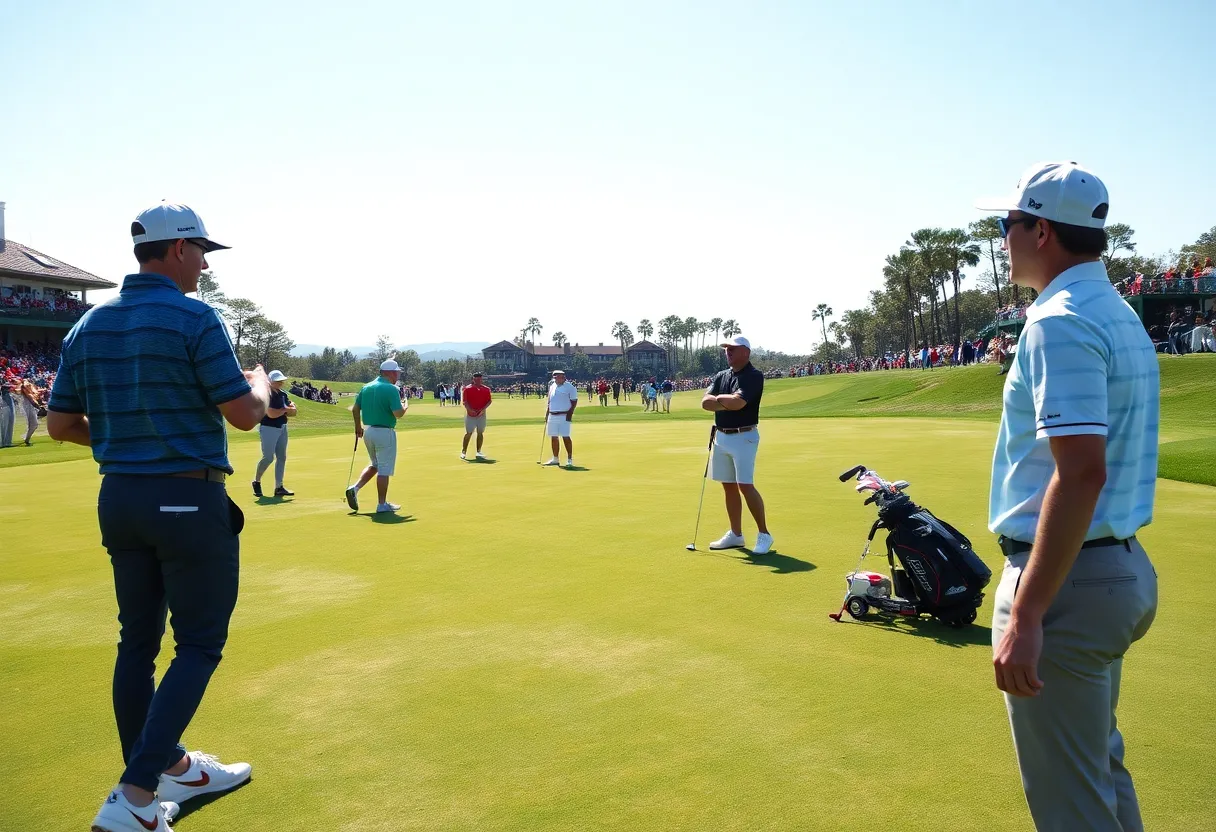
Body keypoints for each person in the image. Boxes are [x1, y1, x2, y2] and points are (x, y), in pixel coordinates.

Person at [47, 202, 268, 832]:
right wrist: (261, 382)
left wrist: (128, 436)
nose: (203, 262)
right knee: (198, 644)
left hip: (120, 499)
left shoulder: (87, 325)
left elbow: (62, 424)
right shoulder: (197, 318)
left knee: (136, 643)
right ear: (175, 250)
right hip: (185, 499)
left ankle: (169, 766)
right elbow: (244, 414)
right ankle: (138, 793)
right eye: (200, 250)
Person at [977, 162, 1159, 832]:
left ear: (1042, 231)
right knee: (1099, 773)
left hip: (1065, 582)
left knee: (1072, 806)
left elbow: (1080, 472)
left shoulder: (1060, 320)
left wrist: (1027, 616)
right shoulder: (1116, 311)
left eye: (1010, 224)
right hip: (1115, 570)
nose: (1004, 238)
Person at [700, 336, 772, 555]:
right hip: (721, 437)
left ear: (746, 352)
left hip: (744, 437)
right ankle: (736, 534)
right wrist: (726, 400)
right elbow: (705, 403)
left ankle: (764, 534)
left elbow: (739, 402)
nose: (728, 352)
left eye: (732, 349)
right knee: (728, 485)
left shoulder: (753, 376)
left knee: (745, 485)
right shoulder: (721, 376)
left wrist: (719, 401)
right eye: (726, 349)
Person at [347, 360, 408, 513]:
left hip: (368, 431)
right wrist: (405, 406)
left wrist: (357, 427)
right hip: (384, 432)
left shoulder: (366, 387)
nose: (397, 375)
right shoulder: (391, 389)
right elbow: (398, 414)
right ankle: (382, 504)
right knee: (384, 470)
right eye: (396, 372)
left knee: (375, 464)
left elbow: (355, 409)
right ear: (389, 373)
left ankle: (355, 488)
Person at [252, 370, 297, 497]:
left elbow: (294, 412)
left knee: (282, 457)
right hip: (268, 428)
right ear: (270, 381)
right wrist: (286, 409)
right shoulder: (266, 395)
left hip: (282, 427)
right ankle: (256, 481)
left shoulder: (283, 394)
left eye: (281, 380)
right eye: (277, 381)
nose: (280, 383)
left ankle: (279, 487)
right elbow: (271, 414)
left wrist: (285, 410)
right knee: (268, 458)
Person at [544, 369, 578, 467]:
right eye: (555, 377)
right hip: (552, 415)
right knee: (553, 437)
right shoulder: (552, 386)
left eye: (559, 377)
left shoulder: (570, 387)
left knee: (565, 436)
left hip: (564, 415)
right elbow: (550, 401)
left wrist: (570, 414)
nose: (556, 378)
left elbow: (574, 402)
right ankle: (555, 458)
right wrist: (547, 414)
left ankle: (569, 459)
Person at [461, 371, 492, 460]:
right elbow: (465, 402)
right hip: (470, 414)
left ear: (481, 379)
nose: (478, 380)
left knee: (480, 432)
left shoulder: (486, 389)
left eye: (479, 379)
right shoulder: (467, 389)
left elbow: (489, 401)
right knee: (469, 433)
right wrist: (470, 410)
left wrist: (483, 410)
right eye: (476, 379)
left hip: (481, 414)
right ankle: (463, 451)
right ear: (473, 379)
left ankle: (479, 451)